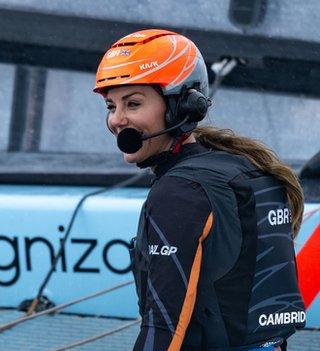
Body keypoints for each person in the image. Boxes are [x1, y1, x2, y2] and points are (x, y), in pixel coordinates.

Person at [93, 29, 306, 350]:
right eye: (111, 106)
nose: (117, 120)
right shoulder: (252, 170)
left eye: (133, 103)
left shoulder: (180, 190)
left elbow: (165, 325)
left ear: (182, 107)